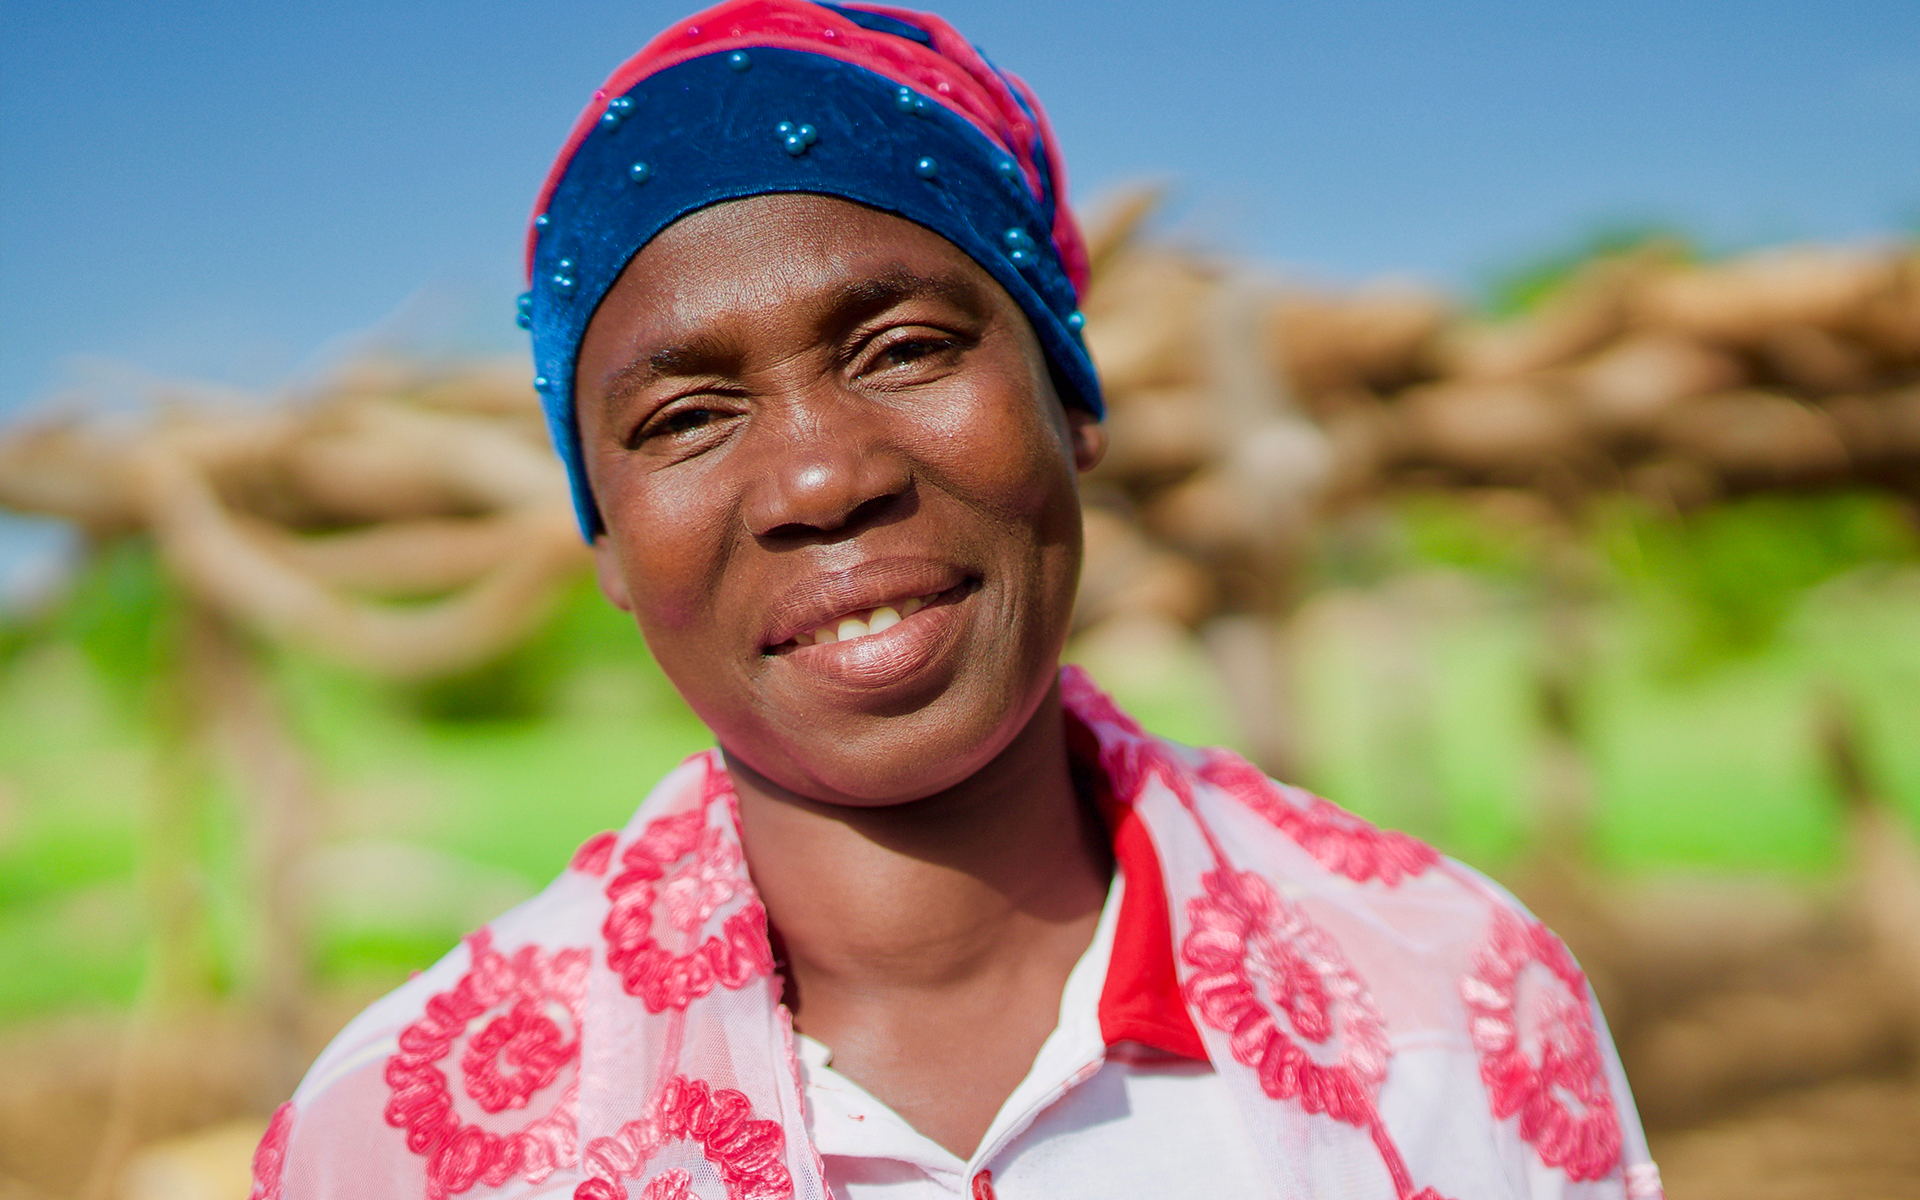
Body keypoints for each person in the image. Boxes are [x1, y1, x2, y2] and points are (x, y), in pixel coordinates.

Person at [251, 3, 1663, 1197]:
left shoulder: (1453, 1006)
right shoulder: (401, 1143)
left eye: (906, 347)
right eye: (684, 418)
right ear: (609, 542)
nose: (817, 477)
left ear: (1071, 398)